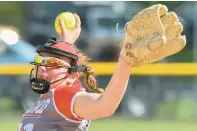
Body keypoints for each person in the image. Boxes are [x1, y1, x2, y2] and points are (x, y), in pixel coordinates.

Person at [18, 4, 186, 131]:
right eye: (41, 62)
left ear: (69, 73)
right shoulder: (47, 98)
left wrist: (124, 64)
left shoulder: (65, 96)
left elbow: (104, 106)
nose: (43, 68)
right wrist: (66, 41)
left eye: (52, 64)